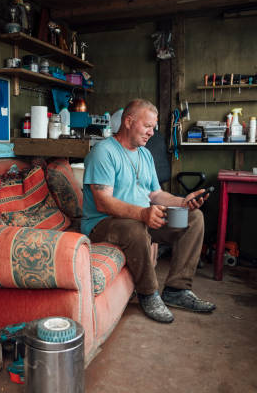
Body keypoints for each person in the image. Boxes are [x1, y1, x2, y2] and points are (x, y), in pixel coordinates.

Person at [81, 98, 215, 323]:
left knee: (193, 218)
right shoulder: (103, 152)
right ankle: (148, 293)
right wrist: (143, 214)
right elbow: (103, 202)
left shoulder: (144, 154)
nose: (152, 133)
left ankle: (177, 290)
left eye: (153, 127)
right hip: (103, 223)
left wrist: (183, 202)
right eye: (147, 126)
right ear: (128, 121)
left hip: (140, 218)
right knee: (135, 227)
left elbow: (154, 194)